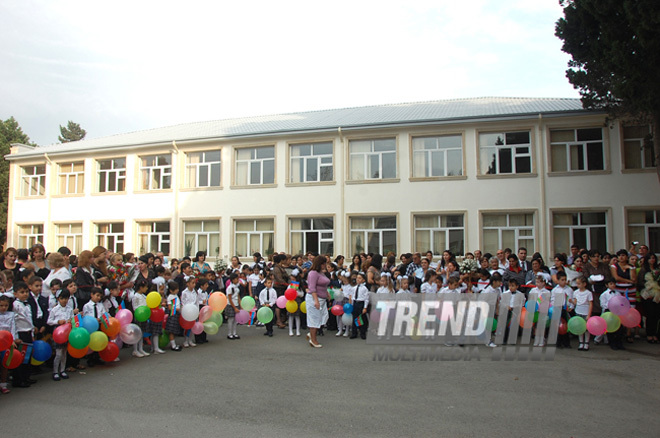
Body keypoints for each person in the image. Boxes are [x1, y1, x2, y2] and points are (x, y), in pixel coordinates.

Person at [611, 249, 637, 342]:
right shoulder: (614, 266)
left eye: (623, 255)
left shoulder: (631, 267)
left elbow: (634, 279)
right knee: (619, 310)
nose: (621, 257)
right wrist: (628, 281)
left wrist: (629, 269)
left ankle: (629, 332)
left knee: (630, 310)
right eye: (619, 256)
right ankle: (619, 331)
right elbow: (616, 277)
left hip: (630, 291)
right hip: (619, 290)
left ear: (627, 257)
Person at [12, 281, 35, 388]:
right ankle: (19, 379)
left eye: (26, 292)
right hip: (20, 333)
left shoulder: (27, 304)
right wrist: (15, 337)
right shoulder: (15, 305)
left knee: (27, 356)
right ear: (15, 294)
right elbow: (14, 323)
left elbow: (29, 319)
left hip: (28, 332)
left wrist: (32, 331)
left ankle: (26, 377)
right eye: (22, 292)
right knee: (20, 357)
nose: (25, 294)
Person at [47, 289, 74, 381]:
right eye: (62, 298)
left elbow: (73, 319)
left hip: (67, 331)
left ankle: (62, 370)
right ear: (58, 299)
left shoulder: (70, 309)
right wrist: (57, 322)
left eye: (66, 298)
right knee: (58, 353)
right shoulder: (54, 310)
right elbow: (49, 321)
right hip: (58, 332)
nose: (64, 300)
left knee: (64, 353)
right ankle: (55, 371)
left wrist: (71, 321)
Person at [306, 255, 330, 348]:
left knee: (323, 317)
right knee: (314, 319)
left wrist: (326, 293)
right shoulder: (313, 273)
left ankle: (311, 334)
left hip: (322, 298)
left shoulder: (321, 273)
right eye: (323, 264)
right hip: (314, 298)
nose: (325, 265)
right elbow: (312, 288)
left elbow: (322, 285)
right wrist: (316, 301)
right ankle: (313, 340)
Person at [596, 278, 625, 350]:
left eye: (614, 284)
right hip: (608, 312)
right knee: (610, 328)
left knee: (619, 328)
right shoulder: (604, 295)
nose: (613, 285)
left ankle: (619, 343)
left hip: (617, 312)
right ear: (607, 285)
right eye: (611, 284)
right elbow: (603, 305)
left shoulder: (618, 293)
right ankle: (612, 343)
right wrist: (611, 305)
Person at [0, 295, 17, 393]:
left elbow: (12, 327)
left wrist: (12, 340)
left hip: (6, 343)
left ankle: (3, 384)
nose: (3, 308)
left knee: (5, 363)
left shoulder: (11, 315)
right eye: (1, 305)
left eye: (6, 305)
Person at [551, 272, 573, 349]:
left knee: (565, 326)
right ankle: (558, 342)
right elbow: (552, 300)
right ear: (558, 280)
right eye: (562, 280)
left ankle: (566, 343)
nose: (564, 281)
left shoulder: (569, 289)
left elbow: (571, 299)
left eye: (565, 279)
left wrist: (571, 306)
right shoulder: (555, 290)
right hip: (557, 309)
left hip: (565, 309)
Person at [571, 276, 593, 351]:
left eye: (579, 283)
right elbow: (576, 303)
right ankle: (581, 342)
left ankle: (586, 343)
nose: (578, 285)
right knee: (580, 328)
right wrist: (571, 302)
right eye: (577, 284)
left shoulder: (588, 293)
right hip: (578, 311)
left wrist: (589, 314)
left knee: (587, 328)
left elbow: (590, 304)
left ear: (584, 284)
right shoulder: (576, 292)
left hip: (585, 312)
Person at [130, 280, 151, 357]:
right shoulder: (135, 296)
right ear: (141, 287)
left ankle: (140, 348)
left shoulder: (143, 296)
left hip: (144, 316)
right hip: (139, 316)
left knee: (141, 333)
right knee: (137, 333)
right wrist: (141, 311)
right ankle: (135, 350)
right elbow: (135, 307)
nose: (147, 288)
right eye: (145, 287)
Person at [350, 272, 370, 340]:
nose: (358, 279)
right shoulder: (354, 288)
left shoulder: (364, 288)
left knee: (362, 318)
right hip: (355, 303)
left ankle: (363, 333)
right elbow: (352, 297)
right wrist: (352, 304)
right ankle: (354, 333)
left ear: (363, 280)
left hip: (361, 303)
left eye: (360, 278)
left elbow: (366, 299)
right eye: (357, 278)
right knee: (355, 318)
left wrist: (365, 307)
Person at [164, 281, 183, 351]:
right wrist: (177, 309)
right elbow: (170, 307)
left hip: (176, 314)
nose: (177, 290)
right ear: (171, 290)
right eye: (176, 289)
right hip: (173, 314)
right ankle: (173, 345)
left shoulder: (175, 295)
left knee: (174, 330)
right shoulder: (170, 297)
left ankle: (174, 343)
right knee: (171, 331)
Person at [225, 272, 241, 340]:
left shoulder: (236, 287)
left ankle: (234, 333)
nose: (237, 280)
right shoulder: (230, 288)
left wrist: (240, 304)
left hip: (236, 304)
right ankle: (229, 333)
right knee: (231, 319)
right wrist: (234, 307)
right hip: (231, 305)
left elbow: (238, 296)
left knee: (235, 320)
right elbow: (230, 298)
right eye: (236, 279)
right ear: (232, 280)